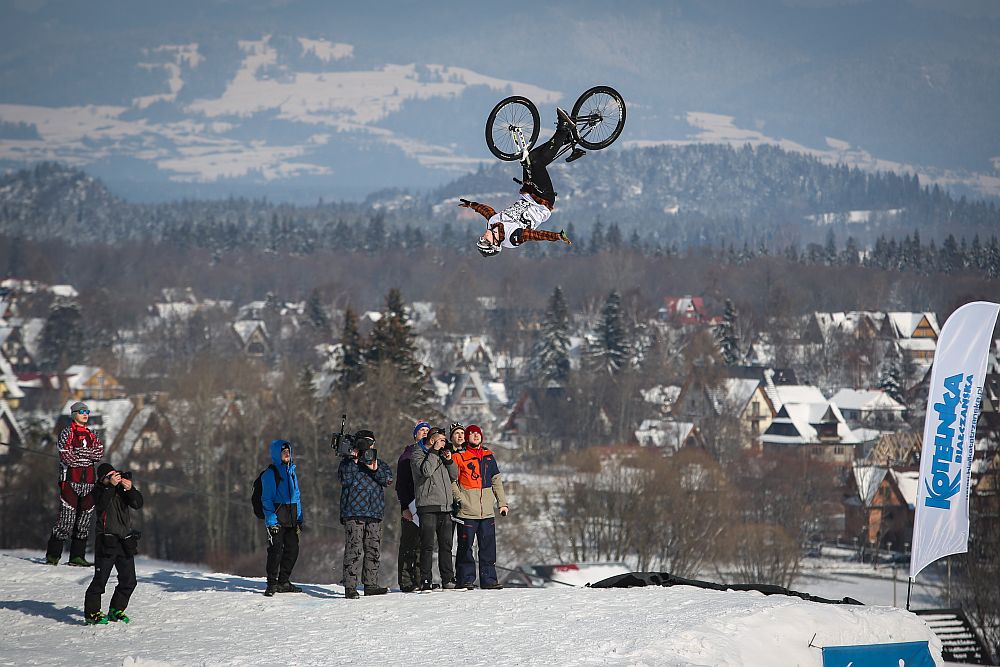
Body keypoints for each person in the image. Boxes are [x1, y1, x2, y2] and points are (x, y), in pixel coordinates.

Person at [459, 108, 580, 257]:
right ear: (495, 244)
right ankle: (563, 129)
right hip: (543, 202)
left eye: (481, 240)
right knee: (537, 165)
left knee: (528, 159)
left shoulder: (492, 223)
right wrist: (556, 236)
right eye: (485, 241)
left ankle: (564, 138)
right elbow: (534, 235)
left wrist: (472, 205)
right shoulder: (512, 237)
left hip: (528, 193)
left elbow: (487, 211)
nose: (483, 237)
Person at [46, 401, 105, 566]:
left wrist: (79, 452)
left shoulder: (92, 434)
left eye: (87, 412)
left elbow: (99, 454)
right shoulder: (67, 433)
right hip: (70, 481)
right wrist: (87, 456)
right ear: (74, 414)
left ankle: (77, 556)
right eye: (81, 412)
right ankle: (53, 555)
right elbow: (67, 457)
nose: (85, 415)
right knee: (66, 520)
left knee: (84, 521)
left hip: (89, 483)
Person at [84, 463, 143, 624]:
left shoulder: (120, 490)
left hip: (124, 540)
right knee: (100, 580)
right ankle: (92, 613)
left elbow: (138, 504)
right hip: (106, 540)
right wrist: (110, 486)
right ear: (103, 479)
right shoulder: (98, 490)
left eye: (115, 474)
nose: (114, 478)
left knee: (129, 580)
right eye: (110, 476)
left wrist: (130, 489)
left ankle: (116, 609)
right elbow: (101, 504)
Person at [338, 429, 393, 600]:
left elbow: (388, 480)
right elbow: (345, 480)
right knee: (354, 548)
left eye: (369, 443)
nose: (366, 446)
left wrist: (374, 467)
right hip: (353, 512)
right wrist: (353, 460)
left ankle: (371, 584)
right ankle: (350, 587)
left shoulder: (379, 463)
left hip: (374, 512)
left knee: (373, 549)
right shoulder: (347, 463)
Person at [452, 424, 509, 590]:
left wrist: (502, 503)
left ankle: (489, 580)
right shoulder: (459, 457)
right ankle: (465, 579)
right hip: (467, 511)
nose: (476, 436)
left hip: (487, 512)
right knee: (465, 547)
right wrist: (461, 499)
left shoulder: (488, 456)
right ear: (467, 437)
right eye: (472, 434)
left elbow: (496, 482)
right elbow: (452, 481)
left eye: (478, 433)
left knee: (488, 548)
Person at [411, 426, 458, 591]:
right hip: (428, 506)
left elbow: (454, 475)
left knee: (446, 546)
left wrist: (449, 460)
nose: (444, 443)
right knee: (427, 545)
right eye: (441, 440)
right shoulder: (417, 454)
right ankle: (425, 580)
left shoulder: (441, 454)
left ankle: (448, 579)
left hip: (446, 507)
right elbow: (426, 471)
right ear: (432, 440)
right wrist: (434, 452)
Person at [260, 439, 303, 597]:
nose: (287, 453)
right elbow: (266, 499)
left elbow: (296, 496)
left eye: (288, 451)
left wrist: (299, 518)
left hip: (291, 517)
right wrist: (271, 521)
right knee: (276, 551)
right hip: (277, 518)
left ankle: (283, 581)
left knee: (293, 549)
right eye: (283, 451)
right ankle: (271, 583)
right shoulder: (270, 474)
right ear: (276, 454)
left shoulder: (291, 471)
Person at [395, 420, 428, 593]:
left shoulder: (431, 455)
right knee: (409, 545)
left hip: (427, 506)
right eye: (421, 430)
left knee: (424, 546)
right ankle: (406, 581)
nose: (425, 432)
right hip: (411, 505)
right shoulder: (407, 456)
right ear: (415, 435)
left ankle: (422, 579)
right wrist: (404, 507)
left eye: (427, 430)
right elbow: (401, 484)